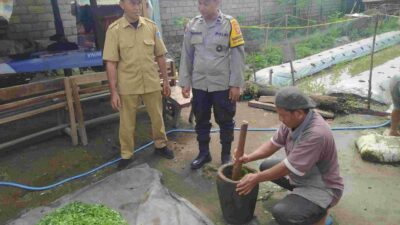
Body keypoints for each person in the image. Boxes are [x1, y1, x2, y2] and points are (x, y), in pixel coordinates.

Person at [235, 87, 344, 225]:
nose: (280, 119)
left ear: (298, 113)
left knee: (283, 213)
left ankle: (320, 214)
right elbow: (273, 144)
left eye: (282, 115)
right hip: (303, 173)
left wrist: (255, 178)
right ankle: (302, 201)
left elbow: (288, 168)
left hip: (322, 186)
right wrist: (249, 157)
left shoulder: (316, 134)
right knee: (265, 166)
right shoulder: (292, 120)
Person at [103, 0, 174, 170]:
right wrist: (113, 92)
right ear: (122, 5)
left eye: (139, 3)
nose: (137, 7)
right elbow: (111, 63)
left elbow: (160, 56)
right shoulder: (114, 30)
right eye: (132, 4)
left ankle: (161, 145)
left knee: (157, 116)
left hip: (151, 81)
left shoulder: (151, 27)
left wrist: (166, 81)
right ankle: (126, 154)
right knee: (127, 122)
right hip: (128, 84)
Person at [179, 0, 245, 170]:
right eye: (199, 3)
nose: (201, 7)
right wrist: (185, 82)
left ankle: (225, 156)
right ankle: (203, 153)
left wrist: (236, 84)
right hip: (200, 84)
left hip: (222, 84)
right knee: (201, 119)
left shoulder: (230, 24)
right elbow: (186, 55)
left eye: (206, 4)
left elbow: (238, 56)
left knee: (225, 120)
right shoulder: (192, 25)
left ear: (217, 3)